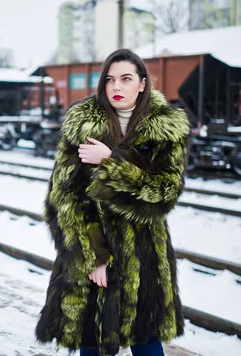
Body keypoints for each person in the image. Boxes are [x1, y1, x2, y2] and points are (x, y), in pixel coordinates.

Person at [35, 49, 189, 356]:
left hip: (144, 259)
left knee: (147, 345)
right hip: (92, 258)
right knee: (92, 345)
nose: (116, 87)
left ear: (143, 83)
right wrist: (94, 257)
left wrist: (111, 162)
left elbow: (165, 192)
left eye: (126, 79)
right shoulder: (83, 125)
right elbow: (62, 198)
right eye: (110, 80)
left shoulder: (165, 128)